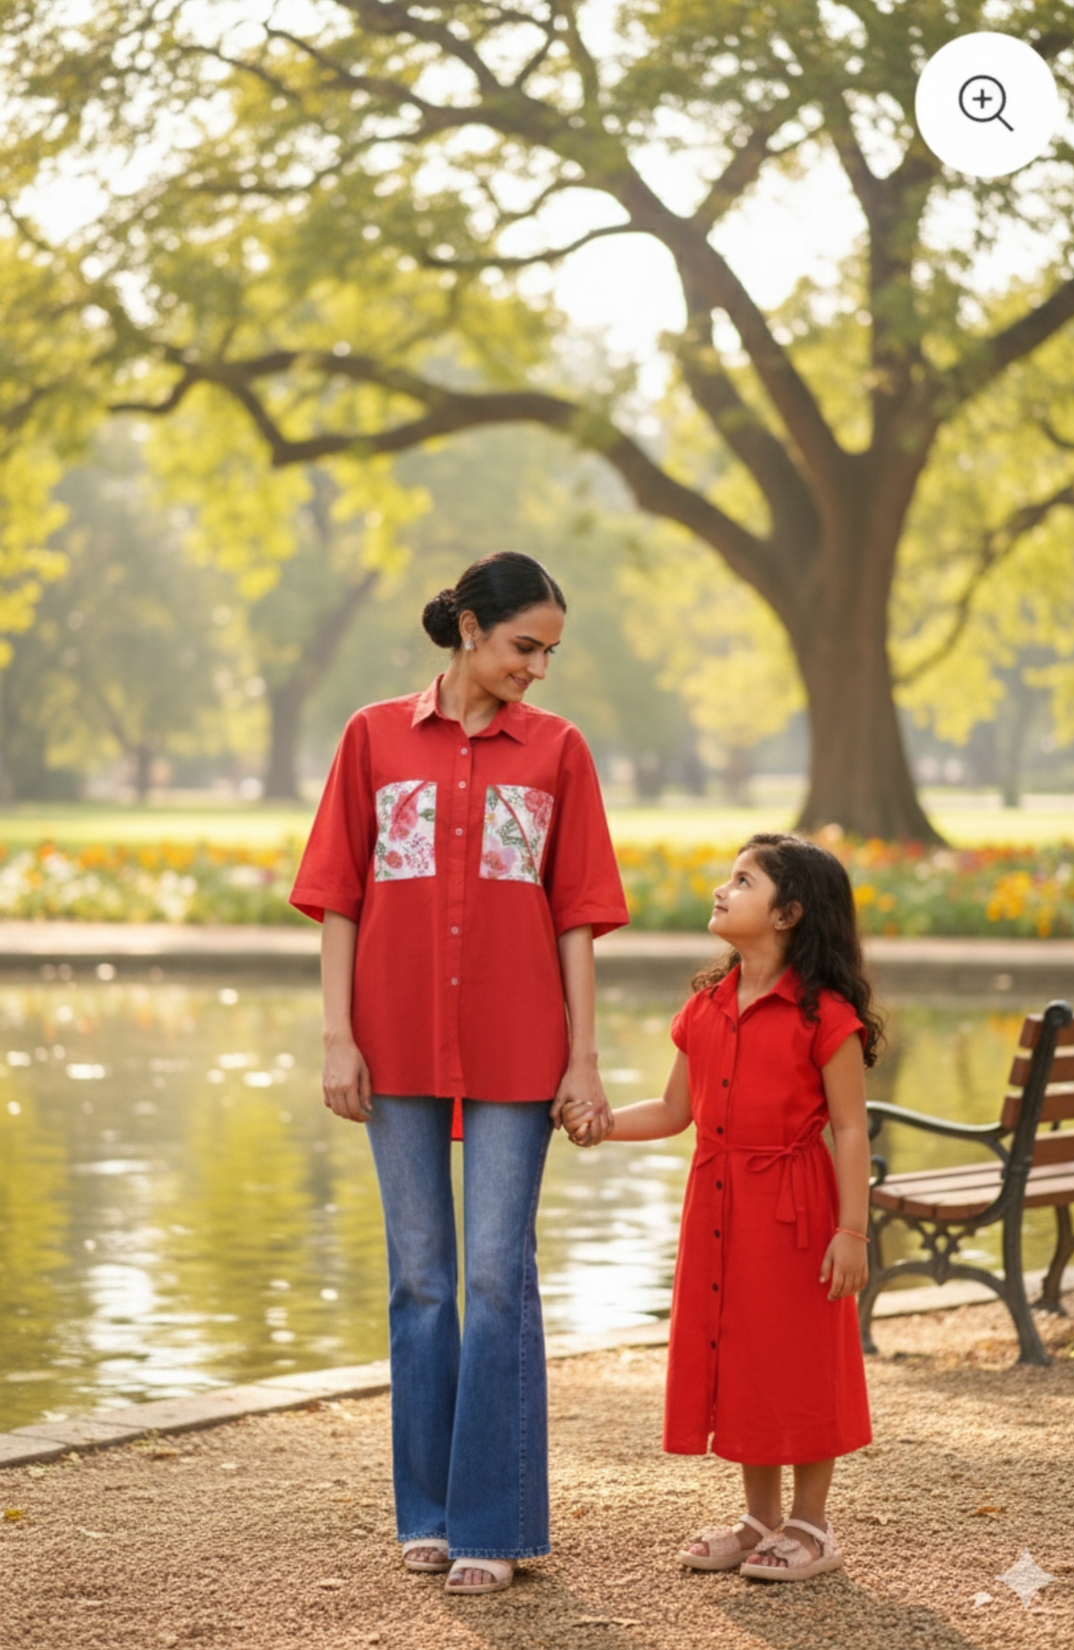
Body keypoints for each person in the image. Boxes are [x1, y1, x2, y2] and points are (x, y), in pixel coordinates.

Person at [290, 551, 628, 1596]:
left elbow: (574, 913)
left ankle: (494, 1520)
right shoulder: (371, 737)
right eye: (525, 645)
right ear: (470, 629)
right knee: (419, 1278)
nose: (537, 668)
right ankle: (428, 1512)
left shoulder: (558, 751)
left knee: (494, 1273)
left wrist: (582, 1056)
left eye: (549, 652)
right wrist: (337, 1037)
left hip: (518, 1046)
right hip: (390, 1042)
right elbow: (339, 896)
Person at [563, 832, 883, 1582]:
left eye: (743, 881)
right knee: (737, 1353)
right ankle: (759, 1520)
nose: (722, 889)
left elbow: (850, 1127)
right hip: (717, 1206)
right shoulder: (706, 1005)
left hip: (797, 1209)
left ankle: (812, 1525)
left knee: (800, 1357)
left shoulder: (825, 1015)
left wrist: (852, 1232)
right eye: (729, 877)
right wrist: (603, 1124)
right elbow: (677, 1109)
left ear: (789, 914)